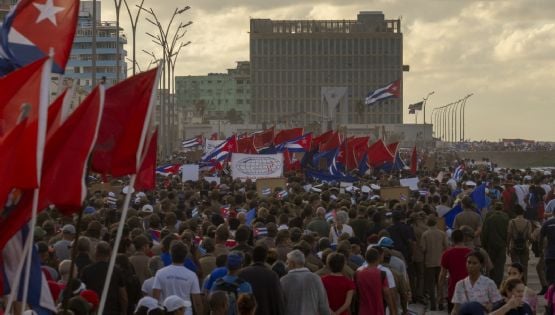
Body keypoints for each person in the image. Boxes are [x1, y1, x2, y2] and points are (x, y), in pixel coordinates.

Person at [152, 241, 203, 315]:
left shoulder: (160, 273)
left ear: (170, 253)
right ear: (185, 256)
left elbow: (155, 298)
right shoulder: (192, 275)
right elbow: (197, 302)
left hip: (167, 311)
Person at [80, 241, 128, 315]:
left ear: (96, 253)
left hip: (93, 310)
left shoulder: (87, 270)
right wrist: (124, 312)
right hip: (112, 310)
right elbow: (123, 295)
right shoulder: (116, 270)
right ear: (110, 254)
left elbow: (82, 292)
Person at [451, 250, 503, 315]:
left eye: (474, 263)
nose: (470, 266)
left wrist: (490, 306)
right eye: (469, 262)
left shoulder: (489, 283)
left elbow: (498, 303)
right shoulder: (460, 284)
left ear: (481, 265)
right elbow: (456, 308)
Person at [280, 249, 330, 315]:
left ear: (292, 263)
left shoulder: (283, 280)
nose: (286, 264)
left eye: (287, 262)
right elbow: (323, 304)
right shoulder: (315, 278)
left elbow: (280, 305)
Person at [238, 245, 285, 315]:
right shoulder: (272, 275)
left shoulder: (242, 273)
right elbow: (278, 300)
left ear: (252, 257)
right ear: (265, 258)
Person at [438, 229, 472, 313]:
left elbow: (442, 275)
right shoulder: (471, 253)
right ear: (463, 239)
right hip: (470, 290)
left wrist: (440, 293)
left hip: (453, 290)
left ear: (452, 239)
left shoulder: (447, 254)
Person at [355, 248, 397, 315]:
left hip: (363, 311)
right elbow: (387, 294)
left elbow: (355, 292)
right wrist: (392, 311)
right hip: (378, 311)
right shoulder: (381, 274)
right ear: (378, 258)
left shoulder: (358, 273)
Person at [420, 215, 448, 311]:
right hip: (440, 261)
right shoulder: (442, 233)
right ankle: (440, 303)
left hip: (429, 262)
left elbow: (423, 248)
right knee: (440, 283)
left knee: (431, 284)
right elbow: (447, 246)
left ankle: (433, 305)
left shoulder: (425, 234)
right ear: (436, 223)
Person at [481, 202, 510, 286]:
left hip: (490, 244)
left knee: (490, 263)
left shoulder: (489, 217)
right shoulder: (506, 217)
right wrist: (507, 244)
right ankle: (498, 283)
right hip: (501, 244)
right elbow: (507, 232)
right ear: (502, 208)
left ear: (494, 208)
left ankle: (491, 281)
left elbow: (484, 232)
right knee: (500, 265)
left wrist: (483, 244)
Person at [507, 205, 532, 283]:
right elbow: (529, 236)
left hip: (514, 246)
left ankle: (515, 283)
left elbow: (509, 235)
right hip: (525, 246)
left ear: (515, 213)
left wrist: (507, 247)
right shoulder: (528, 222)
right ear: (523, 213)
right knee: (524, 267)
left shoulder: (512, 222)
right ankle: (524, 284)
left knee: (514, 267)